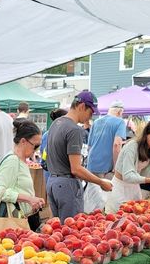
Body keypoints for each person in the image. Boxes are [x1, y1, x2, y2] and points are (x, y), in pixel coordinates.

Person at [45, 91, 112, 221]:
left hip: (52, 183)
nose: (90, 117)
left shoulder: (56, 123)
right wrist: (100, 182)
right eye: (90, 113)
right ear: (81, 106)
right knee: (72, 232)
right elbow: (76, 169)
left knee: (58, 231)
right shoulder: (74, 130)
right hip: (67, 185)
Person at [106, 119, 150, 213]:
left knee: (136, 220)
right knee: (118, 219)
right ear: (146, 135)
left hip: (135, 189)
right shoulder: (132, 146)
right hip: (120, 189)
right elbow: (128, 176)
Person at [0, 120, 45, 231]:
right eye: (35, 146)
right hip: (15, 223)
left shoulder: (21, 160)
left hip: (24, 218)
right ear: (23, 141)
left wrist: (33, 200)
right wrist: (29, 199)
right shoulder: (12, 161)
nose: (36, 150)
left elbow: (19, 188)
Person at [86, 101, 126, 179]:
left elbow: (89, 146)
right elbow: (117, 145)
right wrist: (116, 167)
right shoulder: (120, 122)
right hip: (105, 168)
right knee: (107, 190)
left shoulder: (96, 122)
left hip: (91, 165)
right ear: (119, 112)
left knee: (92, 190)